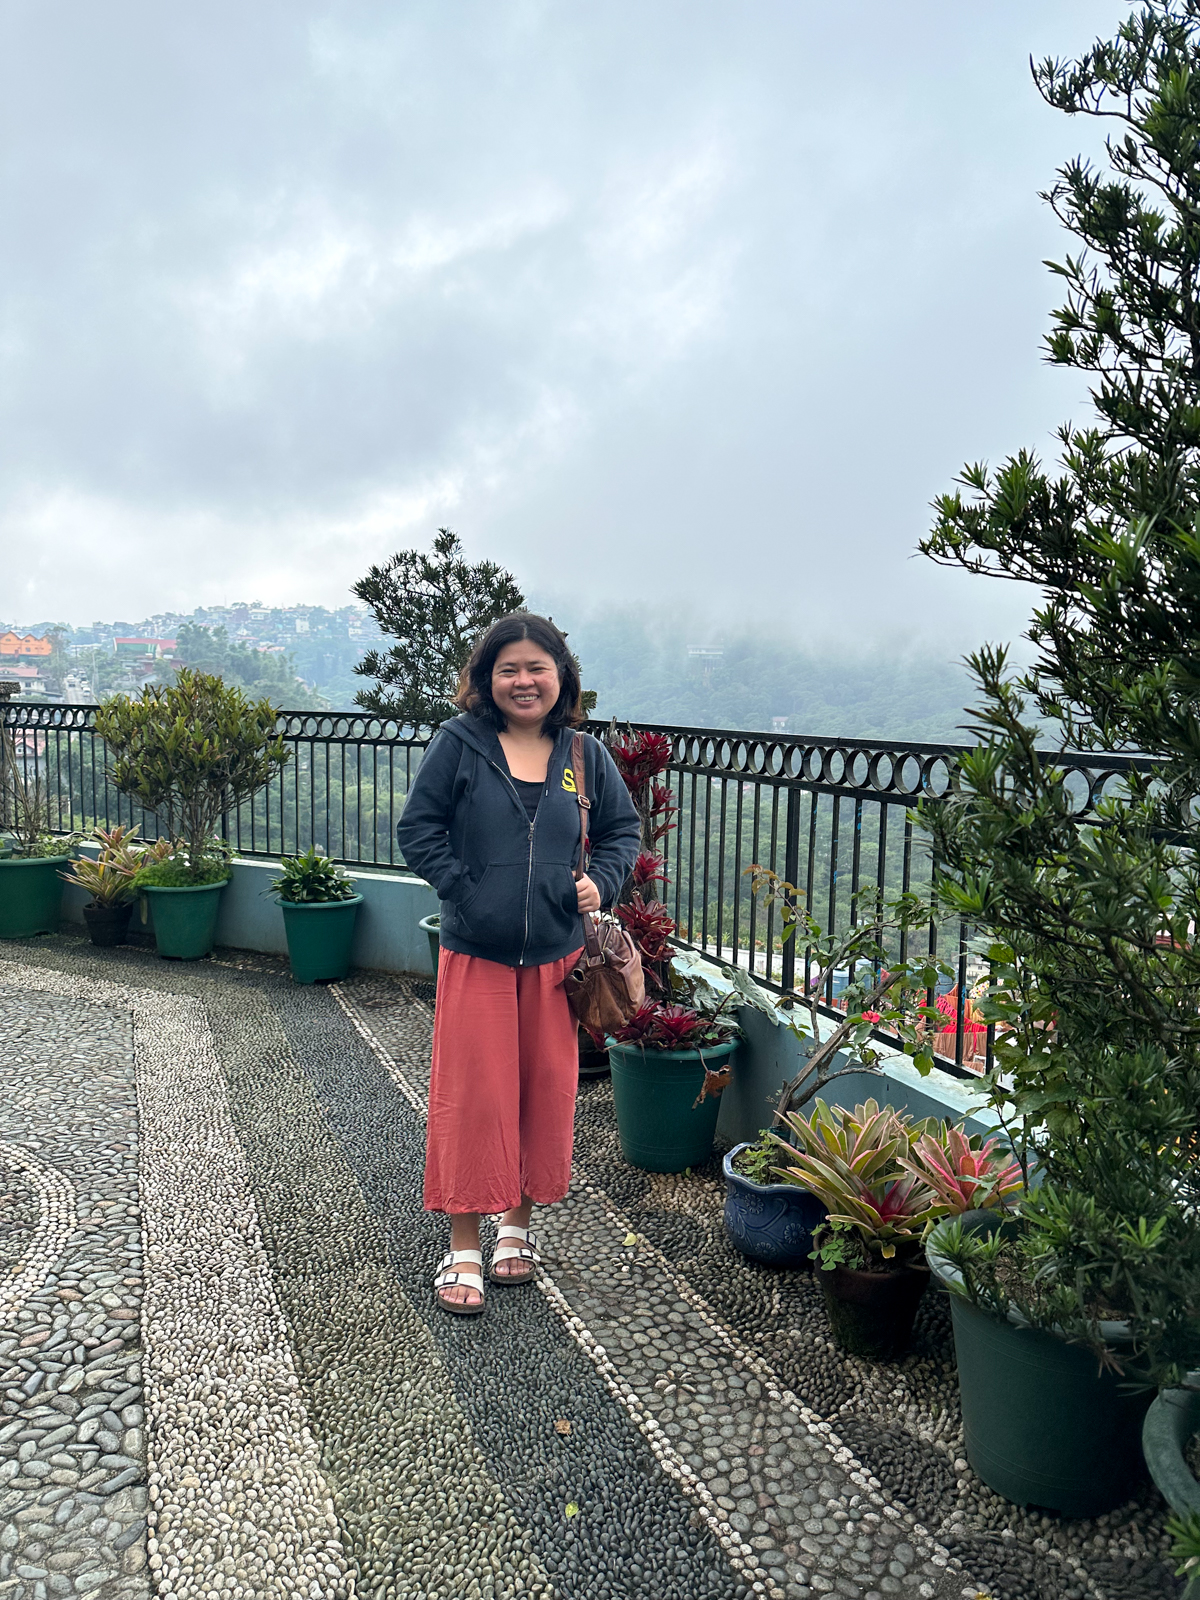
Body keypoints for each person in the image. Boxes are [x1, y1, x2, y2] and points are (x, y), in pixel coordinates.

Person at [396, 613, 641, 1314]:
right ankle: (463, 1246)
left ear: (561, 676)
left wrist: (603, 881)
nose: (524, 681)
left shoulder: (583, 755)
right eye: (509, 669)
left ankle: (516, 1229)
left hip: (558, 960)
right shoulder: (460, 743)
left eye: (538, 667)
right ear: (487, 678)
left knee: (542, 1094)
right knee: (474, 1099)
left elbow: (621, 831)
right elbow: (418, 828)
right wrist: (466, 889)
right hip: (477, 954)